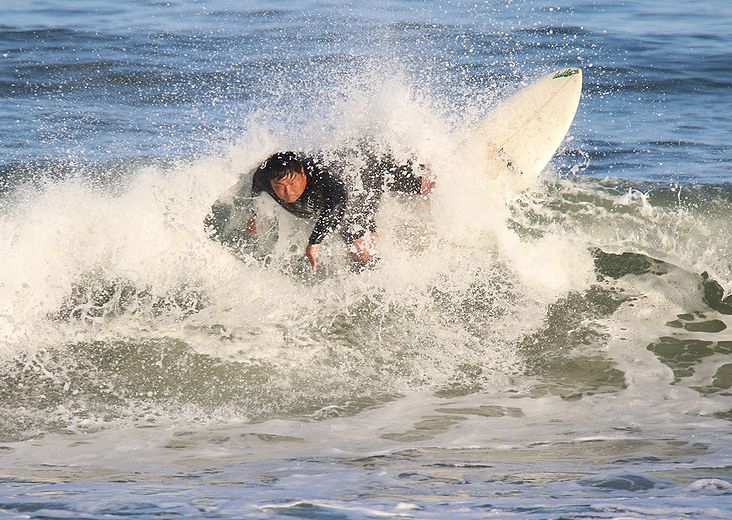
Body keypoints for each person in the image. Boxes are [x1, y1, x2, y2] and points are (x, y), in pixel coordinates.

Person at [205, 150, 435, 272]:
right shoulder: (266, 177)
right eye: (280, 187)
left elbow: (337, 205)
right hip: (348, 178)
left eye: (292, 183)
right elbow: (256, 185)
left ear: (303, 174)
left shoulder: (325, 180)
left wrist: (314, 242)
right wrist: (254, 215)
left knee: (425, 185)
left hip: (361, 180)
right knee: (360, 251)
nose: (287, 192)